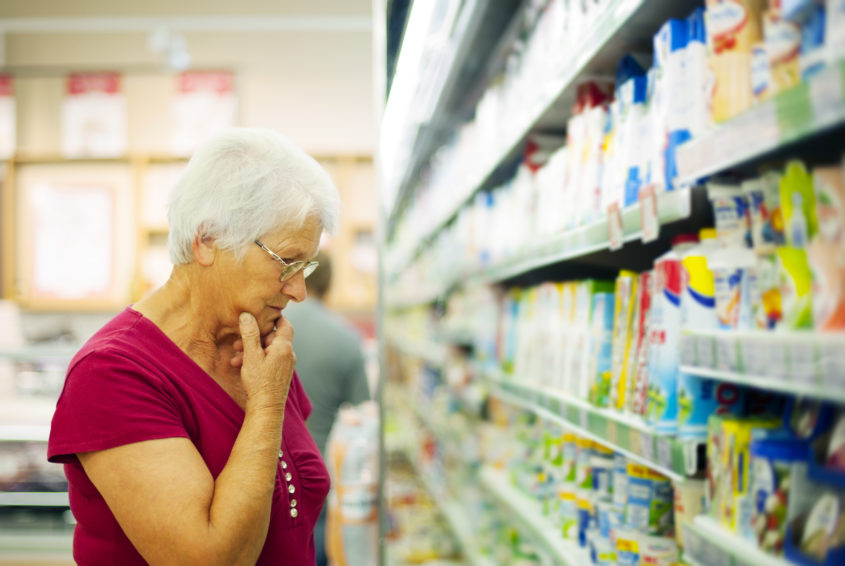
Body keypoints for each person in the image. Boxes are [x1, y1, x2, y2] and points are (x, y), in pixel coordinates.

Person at [47, 127, 341, 566]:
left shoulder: (261, 344)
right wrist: (265, 405)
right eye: (288, 263)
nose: (299, 290)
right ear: (207, 241)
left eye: (307, 265)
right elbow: (208, 558)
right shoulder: (111, 373)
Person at [283, 251, 371, 566]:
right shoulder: (347, 339)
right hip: (320, 474)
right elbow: (362, 415)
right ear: (330, 284)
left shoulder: (271, 329)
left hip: (269, 469)